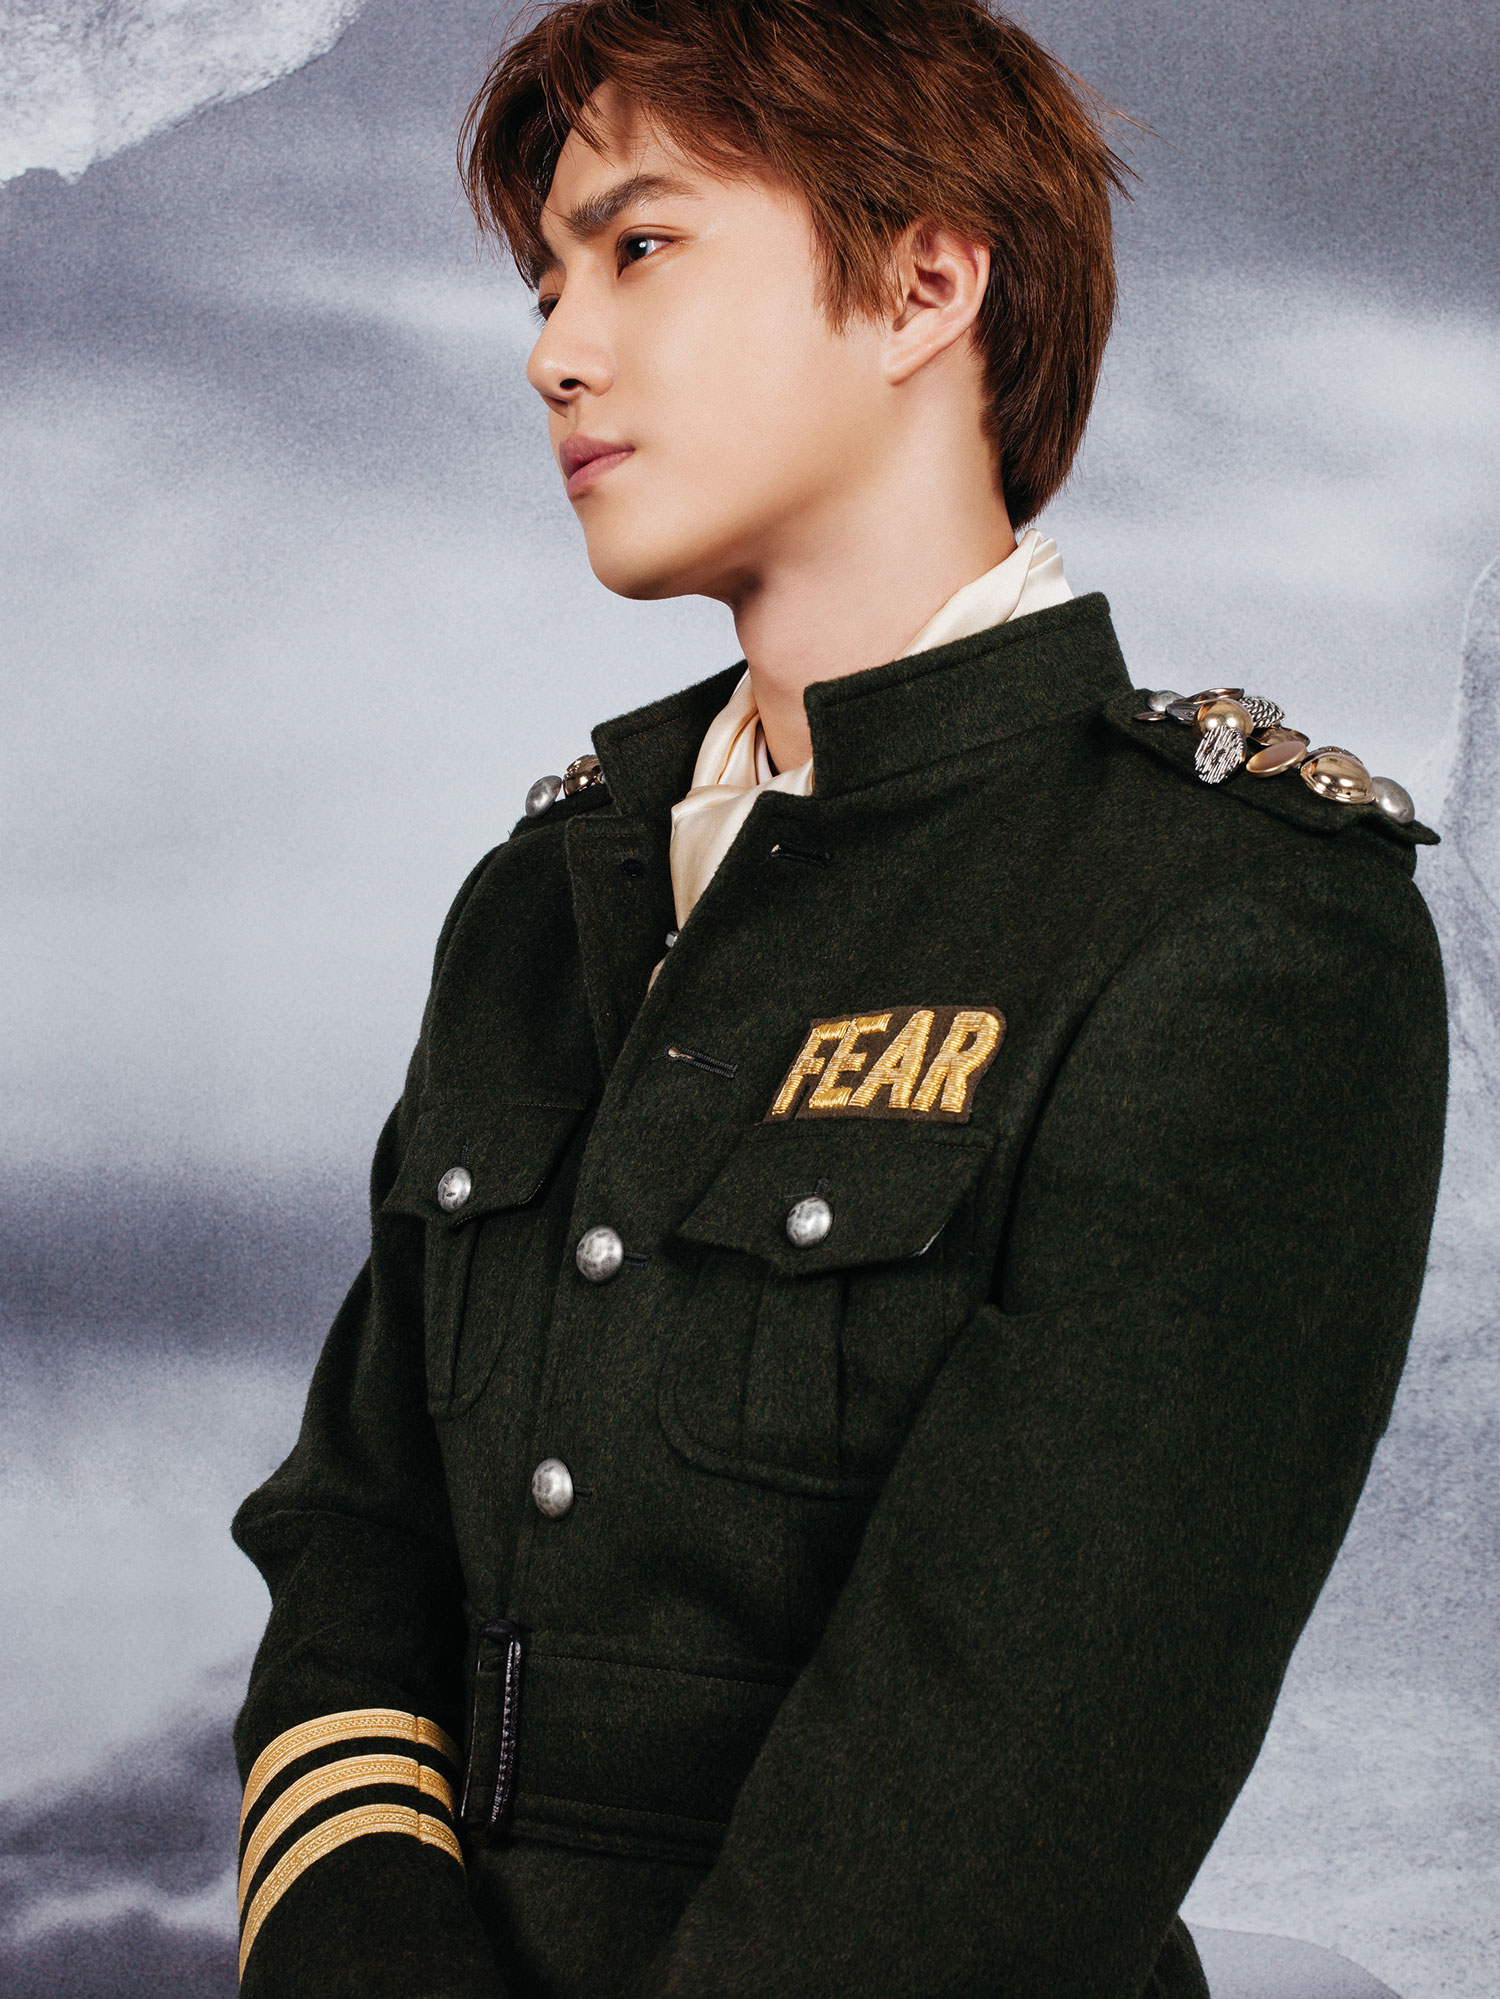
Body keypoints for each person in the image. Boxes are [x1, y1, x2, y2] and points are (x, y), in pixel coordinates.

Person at [229, 3, 1448, 1995]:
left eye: (640, 247)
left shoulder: (1235, 923)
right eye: (546, 282)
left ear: (924, 284)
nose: (553, 349)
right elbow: (357, 1537)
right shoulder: (540, 902)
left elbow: (1006, 1797)